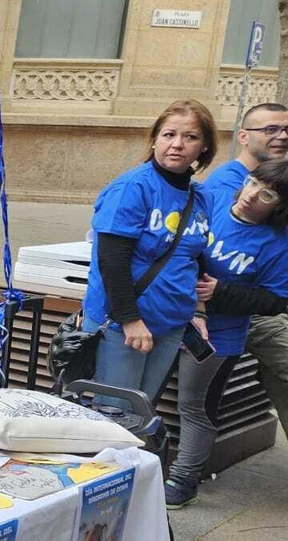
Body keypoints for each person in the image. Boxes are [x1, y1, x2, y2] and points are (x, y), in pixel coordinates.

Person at [77, 100, 218, 402]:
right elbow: (111, 261)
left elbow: (193, 257)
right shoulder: (132, 187)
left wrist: (197, 313)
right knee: (115, 413)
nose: (177, 144)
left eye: (190, 137)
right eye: (169, 135)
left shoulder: (202, 196)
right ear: (154, 139)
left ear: (204, 147)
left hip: (172, 323)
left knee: (142, 411)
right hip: (123, 324)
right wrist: (130, 319)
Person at [167, 159, 288, 507]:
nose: (251, 195)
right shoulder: (213, 201)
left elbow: (275, 301)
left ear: (280, 207)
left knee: (194, 405)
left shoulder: (277, 245)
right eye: (252, 183)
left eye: (267, 195)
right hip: (166, 320)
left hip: (218, 337)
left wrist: (221, 292)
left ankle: (184, 480)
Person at [203, 102, 288, 444]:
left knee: (278, 381)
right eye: (270, 129)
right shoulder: (227, 184)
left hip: (263, 297)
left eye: (287, 130)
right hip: (243, 312)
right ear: (243, 136)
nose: (282, 136)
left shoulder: (279, 179)